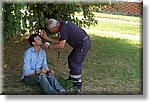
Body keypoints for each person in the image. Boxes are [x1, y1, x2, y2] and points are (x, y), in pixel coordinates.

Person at [40, 18, 91, 93]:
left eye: (50, 30)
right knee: (71, 58)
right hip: (82, 43)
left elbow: (61, 45)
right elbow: (60, 40)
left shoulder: (63, 29)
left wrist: (49, 47)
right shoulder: (61, 24)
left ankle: (77, 85)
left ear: (55, 28)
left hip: (83, 44)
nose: (50, 31)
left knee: (75, 62)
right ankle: (72, 79)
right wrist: (47, 38)